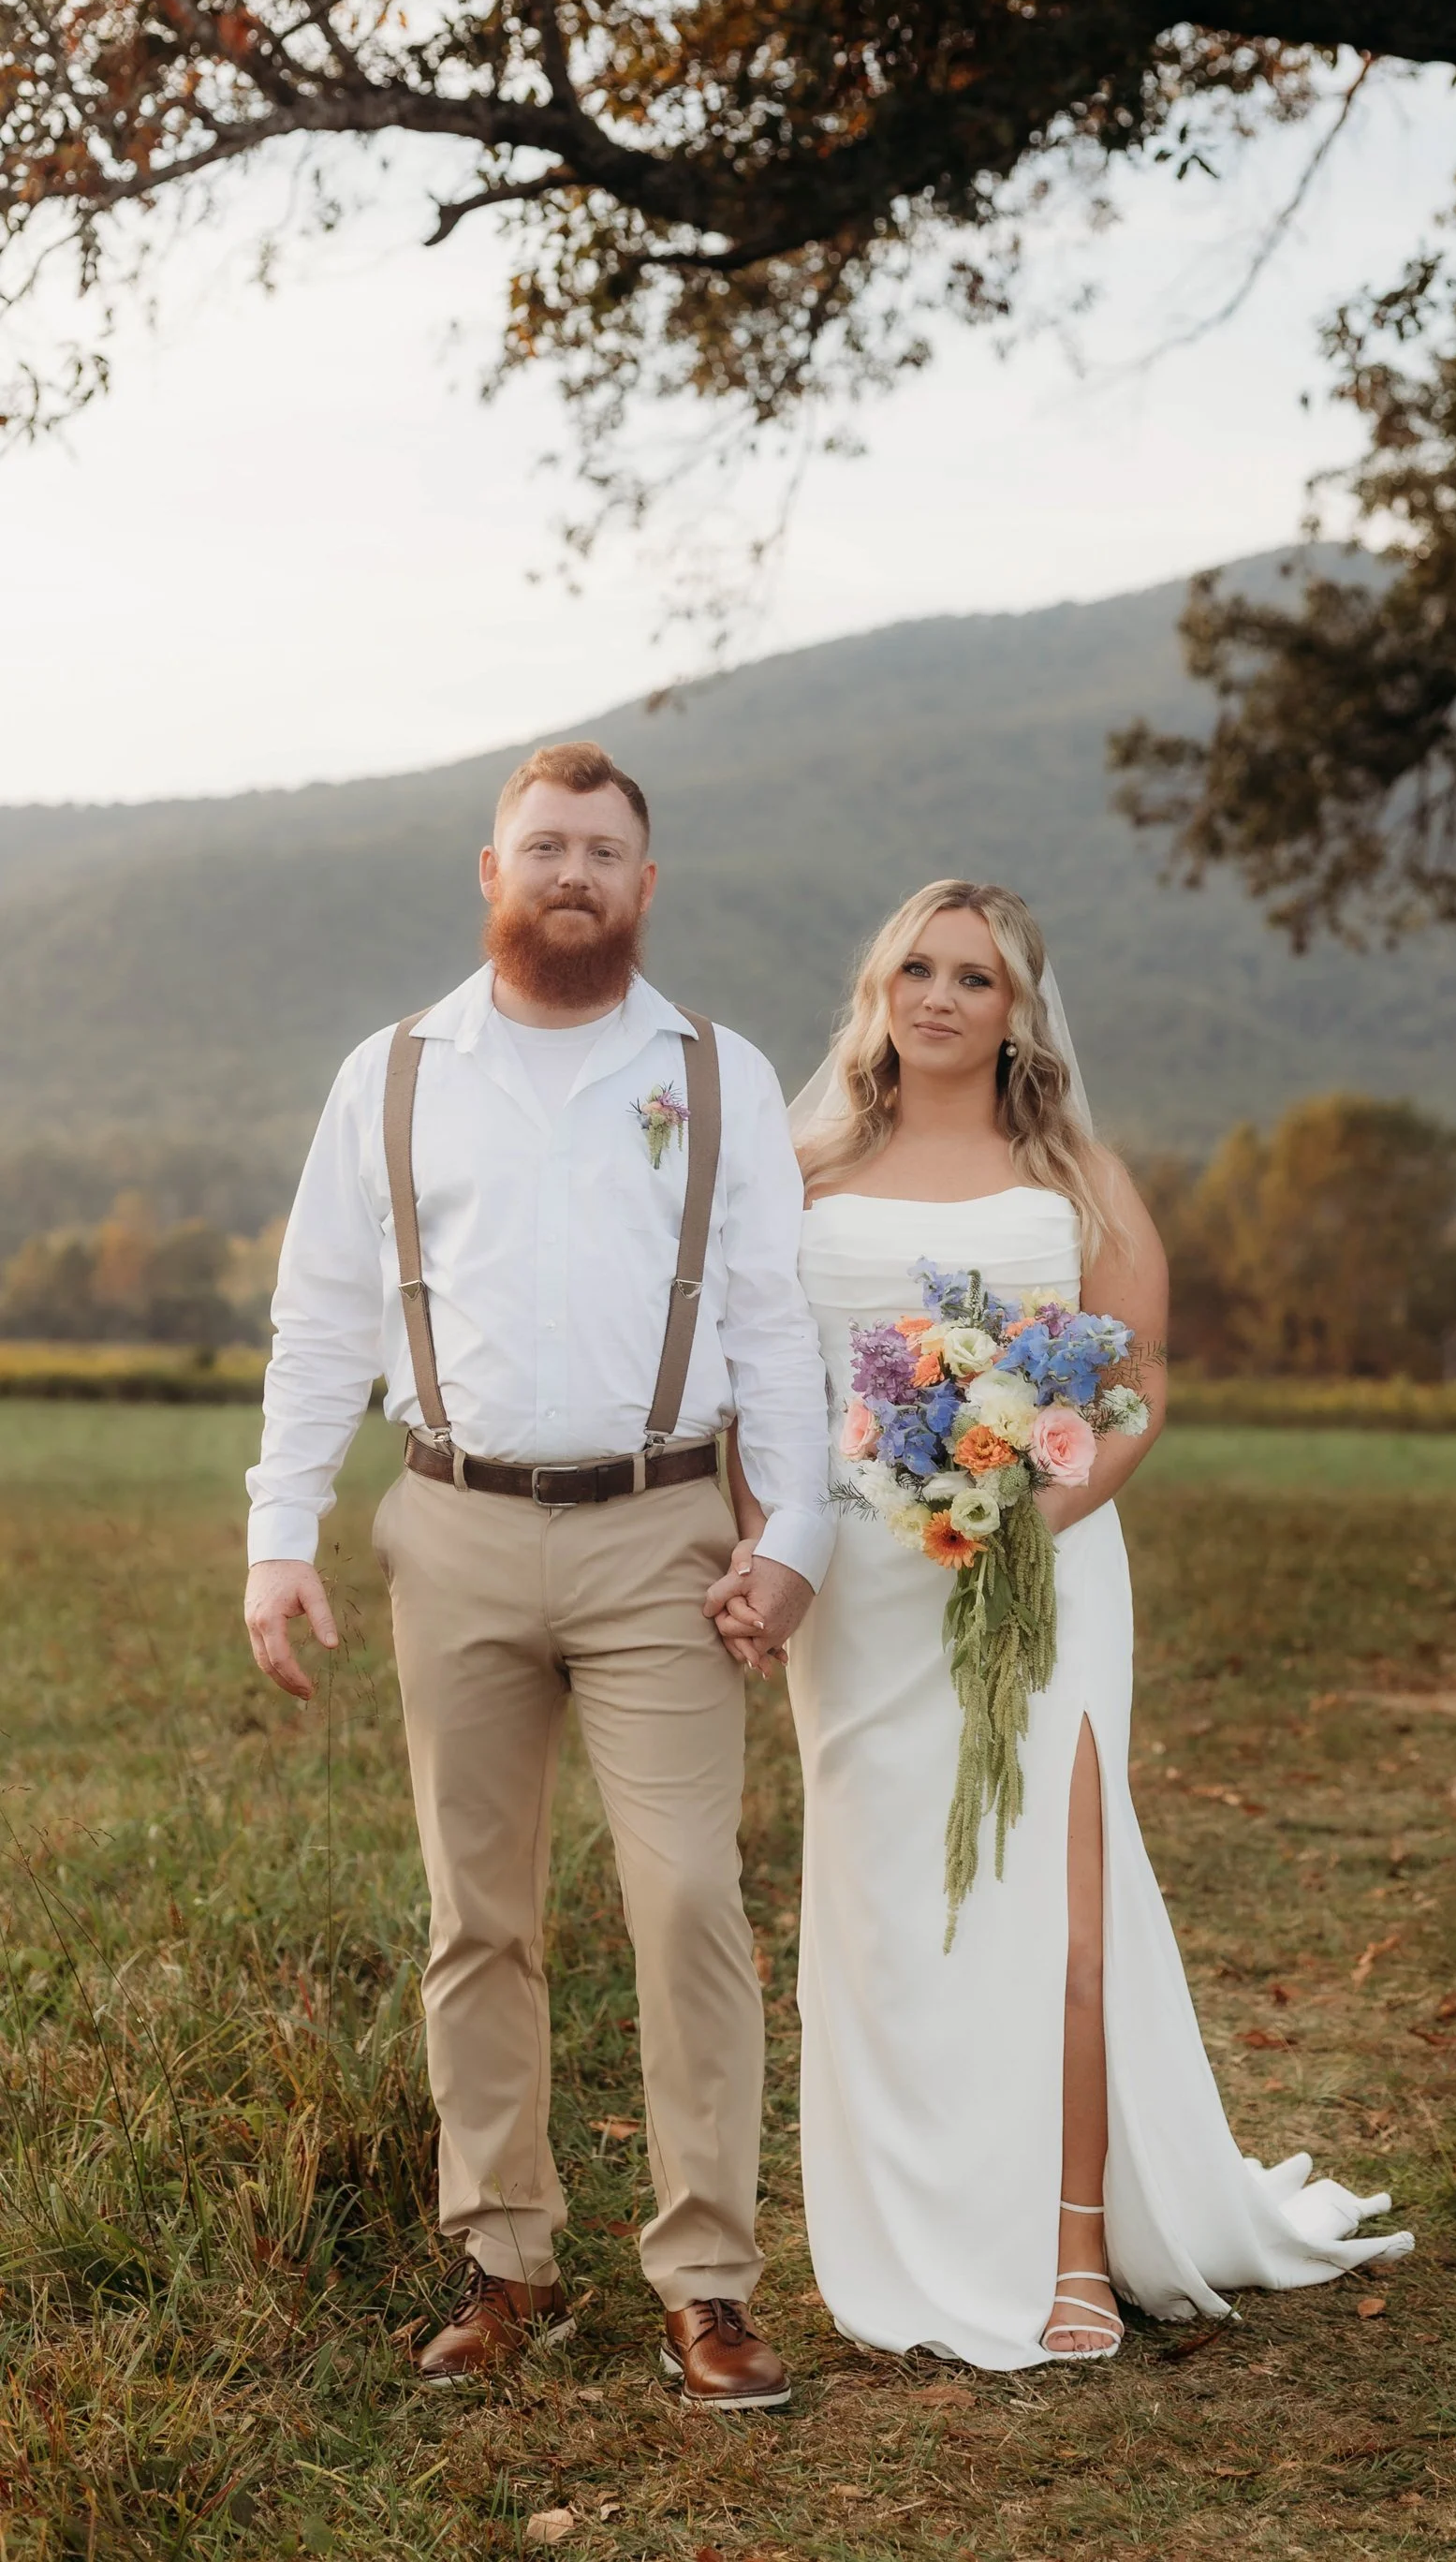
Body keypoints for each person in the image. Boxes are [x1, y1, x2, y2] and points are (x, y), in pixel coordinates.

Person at [710, 880, 1411, 2369]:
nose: (943, 997)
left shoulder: (1075, 1172)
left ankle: (1079, 2242)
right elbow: (754, 1379)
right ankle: (923, 2229)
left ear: (1021, 1007)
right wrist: (771, 1543)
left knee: (1064, 1910)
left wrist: (1024, 1527)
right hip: (864, 1591)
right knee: (893, 1914)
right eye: (919, 967)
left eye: (978, 976)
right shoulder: (795, 1164)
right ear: (878, 987)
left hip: (1045, 1568)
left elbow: (1139, 1384)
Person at [243, 741, 830, 2405]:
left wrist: (792, 1540)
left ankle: (708, 2281)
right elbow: (323, 1324)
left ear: (647, 887)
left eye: (605, 852)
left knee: (691, 1899)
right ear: (489, 873)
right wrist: (280, 1537)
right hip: (456, 1526)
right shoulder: (393, 1073)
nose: (574, 873)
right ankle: (503, 2257)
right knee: (475, 1916)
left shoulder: (719, 1073)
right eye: (545, 846)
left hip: (666, 1536)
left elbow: (777, 1331)